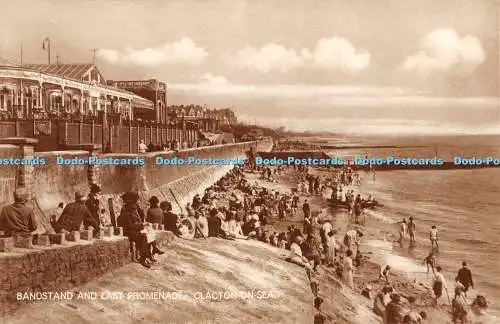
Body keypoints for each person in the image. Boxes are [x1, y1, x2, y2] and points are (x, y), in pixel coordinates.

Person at [118, 191, 151, 268]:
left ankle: (146, 256)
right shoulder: (129, 210)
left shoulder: (130, 208)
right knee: (143, 236)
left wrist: (140, 225)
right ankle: (143, 258)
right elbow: (130, 225)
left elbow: (135, 221)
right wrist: (141, 225)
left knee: (144, 235)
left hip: (130, 229)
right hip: (127, 231)